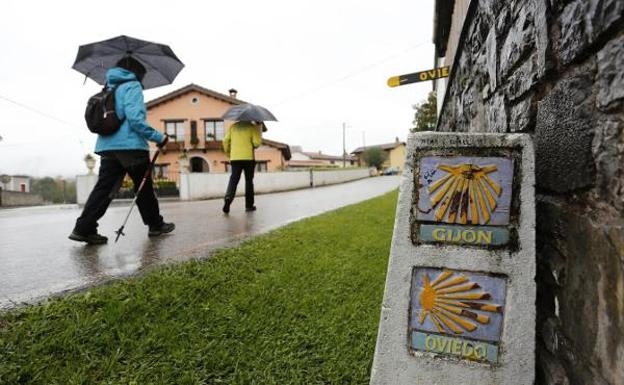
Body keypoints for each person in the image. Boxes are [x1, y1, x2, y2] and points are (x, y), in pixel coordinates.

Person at [69, 56, 174, 245]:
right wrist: (160, 137)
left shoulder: (109, 87)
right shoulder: (132, 86)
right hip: (131, 147)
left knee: (103, 189)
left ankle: (83, 228)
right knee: (143, 187)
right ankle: (155, 225)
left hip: (107, 147)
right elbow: (135, 120)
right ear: (137, 72)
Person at [222, 120, 262, 213]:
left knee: (234, 179)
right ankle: (249, 206)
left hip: (235, 158)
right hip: (248, 158)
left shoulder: (233, 127)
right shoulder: (252, 127)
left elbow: (225, 140)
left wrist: (228, 153)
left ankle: (228, 197)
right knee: (249, 181)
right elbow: (256, 143)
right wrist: (258, 130)